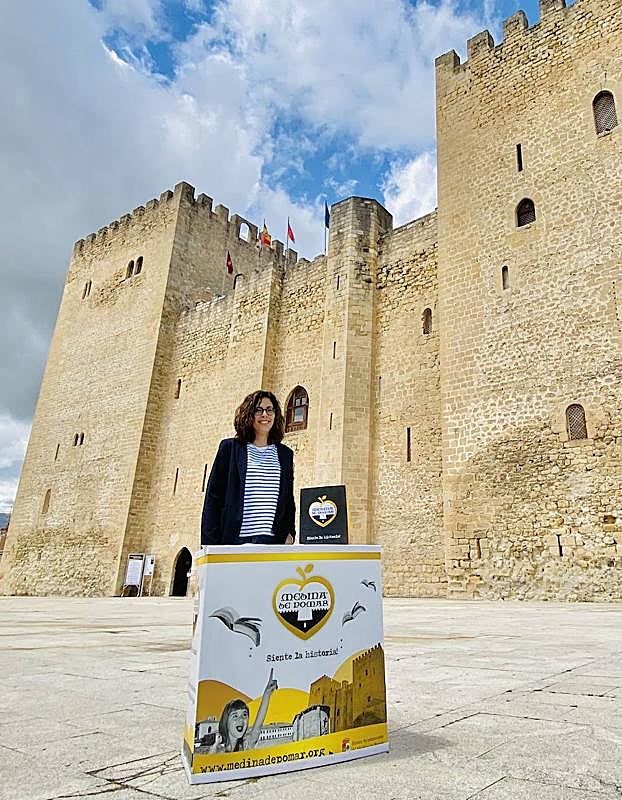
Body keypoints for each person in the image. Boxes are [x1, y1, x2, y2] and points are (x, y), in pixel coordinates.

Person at [201, 390, 295, 545]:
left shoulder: (285, 455)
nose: (265, 414)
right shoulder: (229, 449)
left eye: (270, 410)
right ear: (248, 414)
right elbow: (213, 498)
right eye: (258, 410)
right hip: (235, 540)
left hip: (272, 541)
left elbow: (288, 500)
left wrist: (289, 533)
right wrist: (209, 544)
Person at [208, 668, 278, 753]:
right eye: (235, 716)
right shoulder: (217, 750)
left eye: (244, 715)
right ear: (226, 721)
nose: (241, 719)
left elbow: (257, 727)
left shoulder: (246, 745)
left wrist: (267, 694)